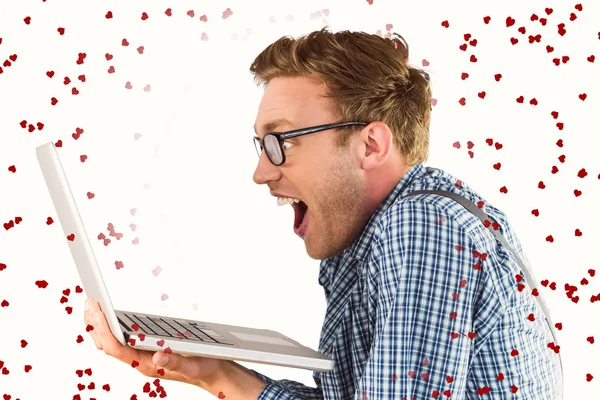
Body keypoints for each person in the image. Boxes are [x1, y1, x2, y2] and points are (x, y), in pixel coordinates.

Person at [84, 26, 561, 399]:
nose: (261, 173)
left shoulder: (423, 228)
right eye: (261, 144)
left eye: (281, 141)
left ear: (370, 145)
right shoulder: (376, 236)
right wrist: (209, 371)